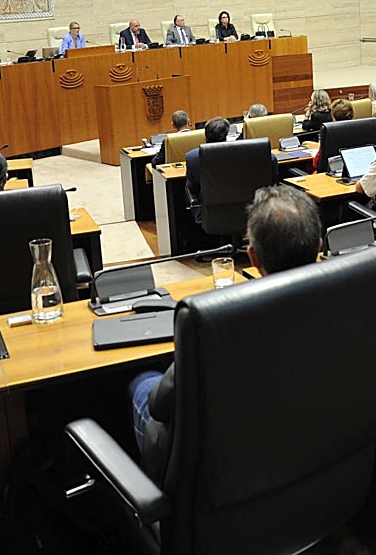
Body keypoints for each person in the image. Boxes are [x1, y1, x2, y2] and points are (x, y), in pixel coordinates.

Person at [128, 185, 322, 484]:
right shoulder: (352, 293)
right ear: (319, 245)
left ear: (253, 257)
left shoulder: (217, 320)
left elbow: (160, 404)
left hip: (221, 479)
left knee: (140, 382)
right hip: (313, 460)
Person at [184, 116, 230, 200]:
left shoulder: (192, 157)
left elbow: (191, 188)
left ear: (205, 135)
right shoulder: (239, 152)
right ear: (226, 135)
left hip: (207, 206)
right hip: (239, 206)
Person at [310, 100, 354, 171]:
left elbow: (316, 164)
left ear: (333, 116)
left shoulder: (330, 133)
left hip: (327, 175)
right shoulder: (362, 130)